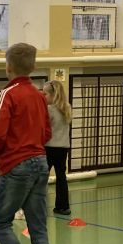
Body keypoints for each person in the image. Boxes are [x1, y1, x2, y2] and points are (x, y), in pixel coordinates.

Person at [0, 43, 53, 244]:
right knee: (39, 229)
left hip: (17, 165)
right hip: (40, 162)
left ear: (8, 67)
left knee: (1, 222)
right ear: (34, 67)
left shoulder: (8, 93)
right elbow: (47, 132)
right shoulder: (39, 96)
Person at [41, 80, 72, 216]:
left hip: (49, 147)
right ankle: (63, 206)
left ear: (53, 95)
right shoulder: (67, 107)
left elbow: (44, 128)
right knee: (61, 177)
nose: (43, 96)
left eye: (45, 94)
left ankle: (39, 206)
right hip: (63, 147)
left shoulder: (49, 109)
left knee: (42, 178)